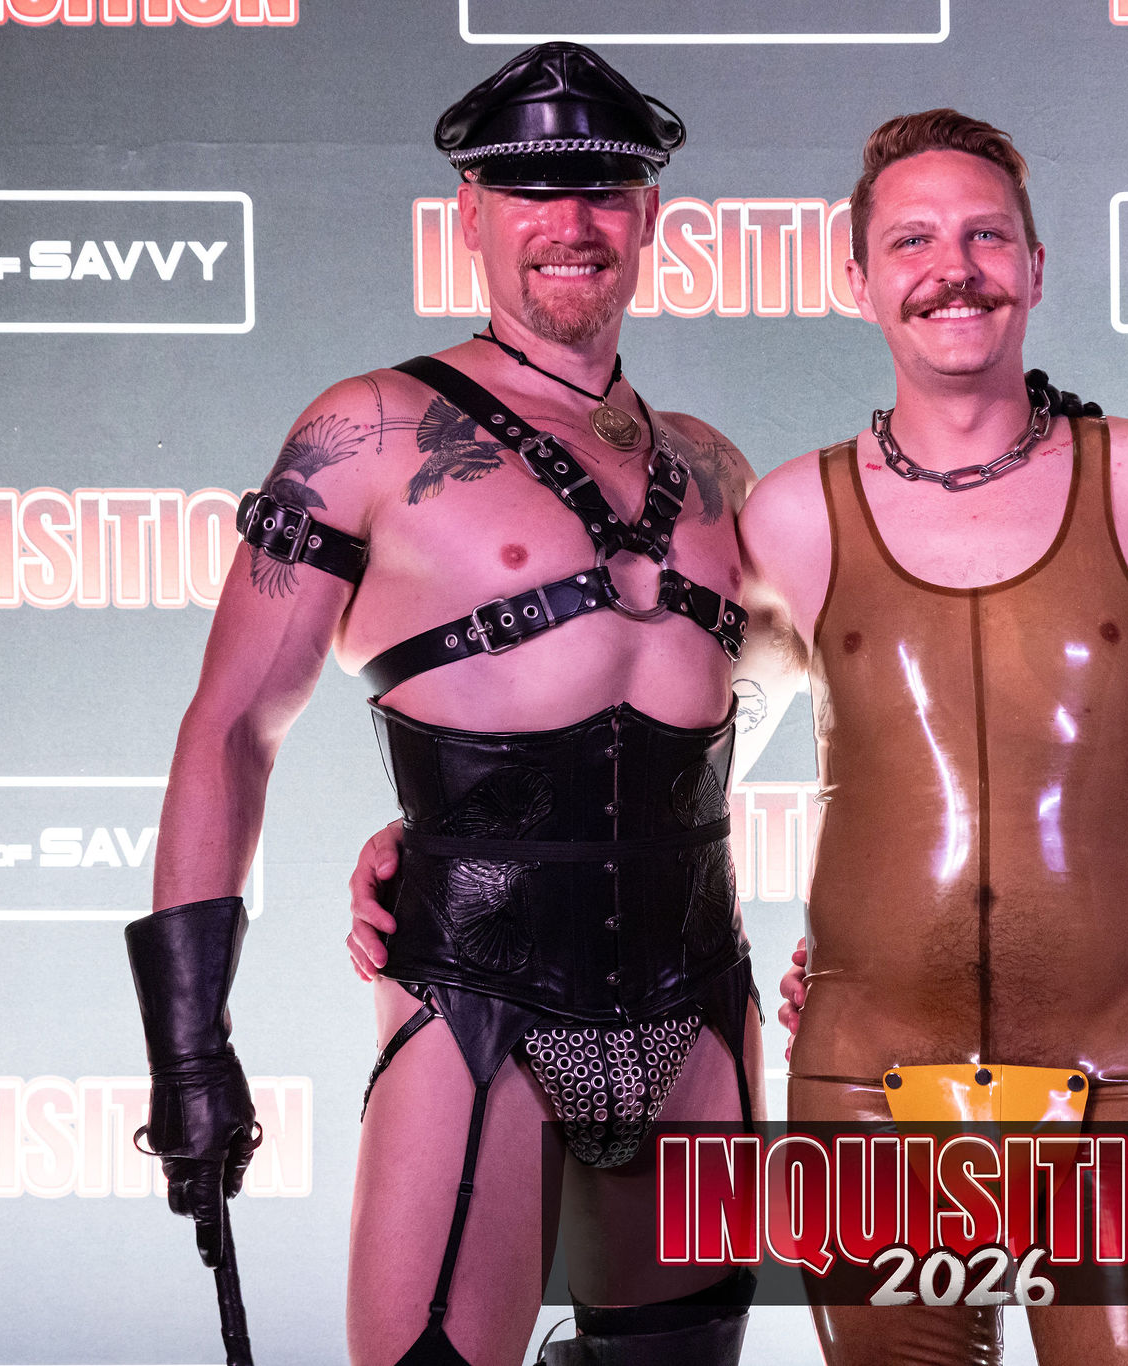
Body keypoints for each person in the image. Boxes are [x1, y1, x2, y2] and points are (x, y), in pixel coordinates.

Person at [125, 43, 785, 1366]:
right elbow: (232, 726)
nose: (570, 221)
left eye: (603, 189)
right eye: (531, 189)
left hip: (702, 1005)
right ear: (470, 212)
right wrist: (190, 1049)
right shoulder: (367, 432)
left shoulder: (714, 467)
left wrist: (546, 803)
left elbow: (736, 701)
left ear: (650, 214)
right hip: (477, 1006)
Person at [732, 109, 1128, 1365]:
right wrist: (451, 835)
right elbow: (660, 762)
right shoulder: (789, 515)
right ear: (857, 280)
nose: (950, 268)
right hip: (864, 1089)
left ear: (1035, 265)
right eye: (910, 240)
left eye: (984, 236)